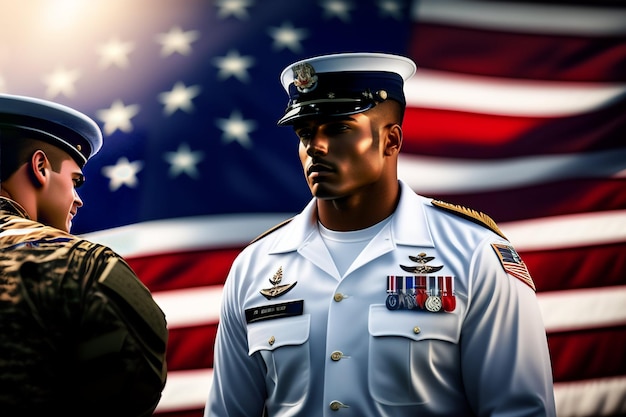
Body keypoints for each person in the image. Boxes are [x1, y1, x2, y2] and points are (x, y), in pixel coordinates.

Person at [205, 53, 556, 416]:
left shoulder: (474, 255)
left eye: (338, 129)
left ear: (391, 140)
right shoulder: (254, 268)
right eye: (306, 133)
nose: (315, 147)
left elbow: (520, 410)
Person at [0, 94, 168, 417]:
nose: (77, 201)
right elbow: (134, 390)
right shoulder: (88, 268)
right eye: (75, 181)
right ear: (40, 168)